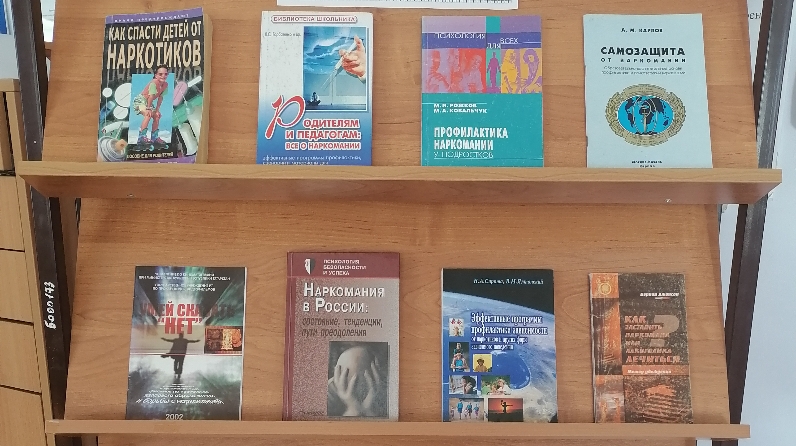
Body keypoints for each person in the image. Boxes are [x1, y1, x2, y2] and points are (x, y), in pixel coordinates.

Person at [327, 345, 387, 417]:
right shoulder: (328, 393)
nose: (352, 387)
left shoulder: (386, 394)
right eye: (346, 376)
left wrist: (367, 410)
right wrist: (354, 409)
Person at [133, 65, 169, 146]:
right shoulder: (154, 83)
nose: (163, 76)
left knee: (157, 116)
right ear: (156, 75)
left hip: (148, 102)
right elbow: (151, 96)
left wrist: (157, 110)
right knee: (148, 114)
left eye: (165, 74)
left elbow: (160, 98)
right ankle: (141, 138)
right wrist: (148, 108)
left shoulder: (165, 85)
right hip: (141, 100)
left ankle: (154, 138)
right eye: (160, 74)